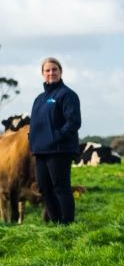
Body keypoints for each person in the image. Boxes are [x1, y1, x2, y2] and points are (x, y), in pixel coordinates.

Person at [29, 57, 81, 224]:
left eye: (54, 69)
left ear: (60, 72)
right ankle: (58, 222)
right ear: (42, 74)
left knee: (61, 187)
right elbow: (35, 123)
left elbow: (73, 122)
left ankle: (67, 225)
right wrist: (32, 139)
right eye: (47, 70)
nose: (51, 73)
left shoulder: (67, 94)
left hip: (59, 149)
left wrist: (57, 137)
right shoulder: (39, 99)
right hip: (41, 151)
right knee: (44, 188)